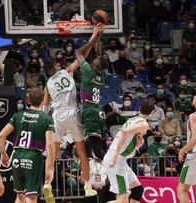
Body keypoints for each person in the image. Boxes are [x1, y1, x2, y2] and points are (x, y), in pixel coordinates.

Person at [42, 24, 103, 198]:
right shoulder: (66, 71)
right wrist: (93, 37)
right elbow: (82, 56)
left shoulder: (47, 85)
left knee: (52, 154)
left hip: (57, 116)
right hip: (72, 112)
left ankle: (47, 183)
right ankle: (88, 186)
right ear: (55, 66)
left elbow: (45, 110)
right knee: (82, 150)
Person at [0, 87, 55, 203]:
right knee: (31, 197)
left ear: (28, 100)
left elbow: (1, 135)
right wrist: (50, 167)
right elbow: (49, 144)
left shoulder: (18, 116)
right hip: (33, 157)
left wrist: (3, 154)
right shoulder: (46, 119)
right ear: (43, 99)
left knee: (20, 196)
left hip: (17, 156)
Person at [103, 101, 153, 203]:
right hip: (116, 159)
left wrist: (138, 145)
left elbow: (129, 142)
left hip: (121, 160)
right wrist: (115, 156)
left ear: (140, 109)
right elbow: (125, 132)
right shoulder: (144, 124)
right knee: (122, 200)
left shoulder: (133, 119)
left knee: (137, 190)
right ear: (151, 112)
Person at [76, 26, 110, 161]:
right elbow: (98, 55)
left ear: (96, 65)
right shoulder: (102, 74)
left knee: (97, 152)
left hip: (91, 111)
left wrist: (92, 40)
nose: (94, 59)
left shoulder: (89, 71)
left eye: (95, 60)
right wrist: (98, 37)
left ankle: (117, 165)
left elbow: (78, 53)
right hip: (97, 110)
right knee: (94, 151)